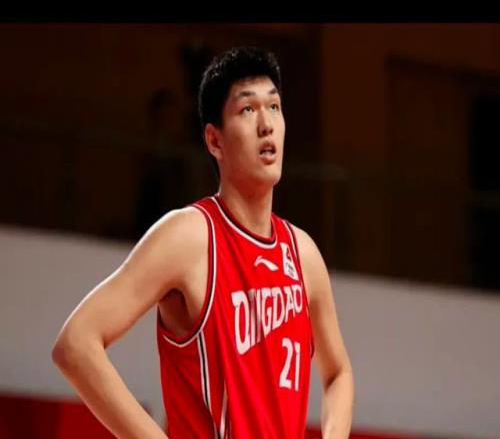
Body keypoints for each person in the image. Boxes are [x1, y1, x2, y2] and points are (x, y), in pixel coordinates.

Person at [52, 46, 354, 439]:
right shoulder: (189, 237)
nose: (267, 124)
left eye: (274, 107)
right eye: (248, 109)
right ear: (214, 140)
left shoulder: (303, 254)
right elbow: (76, 344)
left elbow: (338, 372)